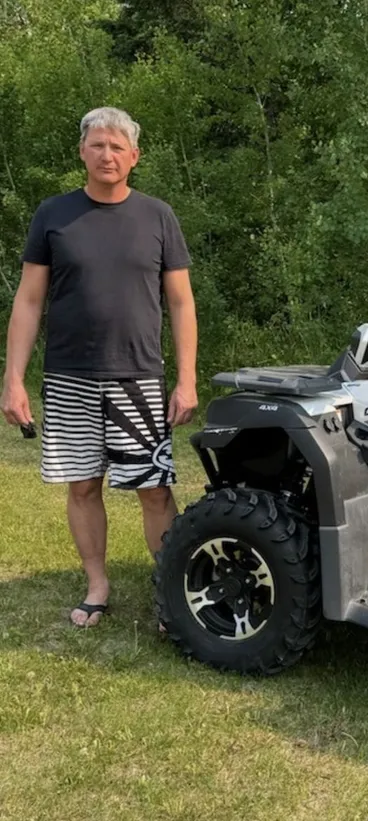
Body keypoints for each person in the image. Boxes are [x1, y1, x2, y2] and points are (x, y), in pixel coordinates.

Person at [0, 106, 198, 627]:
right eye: (97, 145)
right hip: (69, 377)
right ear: (82, 152)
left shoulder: (158, 216)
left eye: (116, 146)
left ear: (134, 156)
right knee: (83, 486)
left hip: (139, 377)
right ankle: (97, 585)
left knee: (154, 488)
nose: (106, 154)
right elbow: (28, 301)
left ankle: (173, 593)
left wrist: (186, 379)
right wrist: (14, 380)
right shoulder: (53, 215)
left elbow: (181, 303)